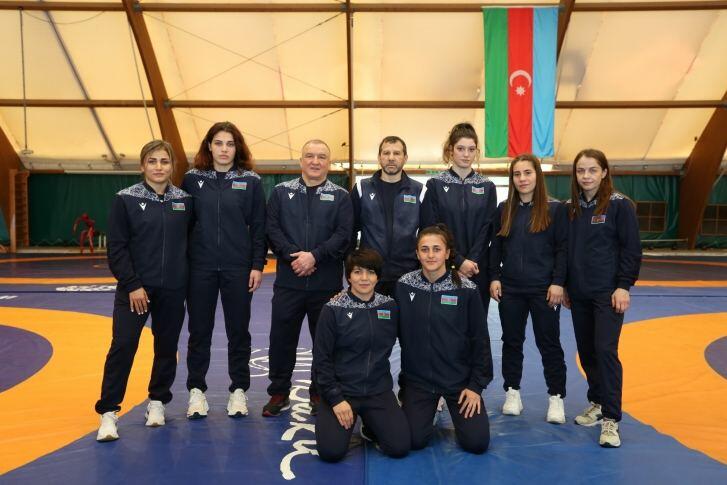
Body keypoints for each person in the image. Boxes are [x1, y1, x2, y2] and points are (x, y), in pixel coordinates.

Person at [95, 140, 193, 441]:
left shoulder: (185, 201)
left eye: (164, 161)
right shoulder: (125, 199)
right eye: (152, 161)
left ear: (172, 166)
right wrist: (133, 285)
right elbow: (117, 248)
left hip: (173, 290)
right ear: (142, 165)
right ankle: (108, 412)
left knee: (166, 347)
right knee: (123, 346)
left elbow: (191, 244)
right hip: (134, 290)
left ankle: (157, 401)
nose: (159, 167)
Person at [182, 122, 266, 419]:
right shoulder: (192, 179)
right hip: (200, 267)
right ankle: (196, 391)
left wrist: (257, 265)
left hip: (238, 268)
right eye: (218, 143)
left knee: (238, 331)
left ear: (237, 147)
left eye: (230, 144)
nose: (224, 149)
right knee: (198, 331)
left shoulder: (251, 180)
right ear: (209, 146)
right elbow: (183, 225)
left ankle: (239, 390)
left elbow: (259, 227)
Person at [265, 139, 353, 417]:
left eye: (321, 157)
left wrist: (315, 256)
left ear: (329, 162)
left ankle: (320, 391)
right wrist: (295, 257)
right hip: (288, 282)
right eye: (310, 156)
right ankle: (279, 392)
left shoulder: (341, 196)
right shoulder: (280, 192)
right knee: (281, 339)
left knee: (325, 342)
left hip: (325, 284)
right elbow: (272, 229)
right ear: (301, 160)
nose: (315, 161)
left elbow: (344, 235)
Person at [564, 148, 642, 448]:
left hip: (608, 294)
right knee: (587, 352)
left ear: (604, 172)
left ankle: (611, 418)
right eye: (581, 170)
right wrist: (567, 286)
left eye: (592, 170)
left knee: (605, 350)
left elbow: (631, 249)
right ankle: (597, 402)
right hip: (579, 293)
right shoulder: (571, 208)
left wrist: (624, 286)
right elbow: (567, 250)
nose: (586, 176)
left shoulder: (620, 205)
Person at [396, 224, 492, 454]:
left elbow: (480, 339)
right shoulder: (404, 285)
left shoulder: (466, 289)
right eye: (425, 249)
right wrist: (346, 299)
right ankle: (419, 407)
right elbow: (382, 317)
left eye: (437, 249)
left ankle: (446, 405)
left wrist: (475, 386)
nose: (431, 255)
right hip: (419, 381)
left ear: (448, 253)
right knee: (413, 441)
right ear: (417, 253)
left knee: (476, 443)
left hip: (458, 382)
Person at [489, 154, 568, 423]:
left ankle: (556, 397)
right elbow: (496, 246)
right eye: (517, 174)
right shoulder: (504, 209)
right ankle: (512, 392)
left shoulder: (555, 209)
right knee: (511, 341)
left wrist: (558, 282)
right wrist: (495, 276)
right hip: (511, 289)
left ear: (537, 175)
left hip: (544, 290)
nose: (522, 179)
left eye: (527, 173)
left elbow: (562, 249)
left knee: (549, 343)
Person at [313, 248, 410, 462]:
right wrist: (336, 399)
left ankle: (370, 423)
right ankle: (340, 415)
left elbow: (410, 343)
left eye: (370, 272)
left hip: (377, 391)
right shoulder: (333, 309)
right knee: (331, 452)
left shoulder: (389, 307)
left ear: (378, 276)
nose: (364, 278)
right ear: (349, 276)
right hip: (343, 391)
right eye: (357, 272)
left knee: (400, 446)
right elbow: (321, 359)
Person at [421, 122, 497, 313]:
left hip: (478, 268)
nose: (466, 154)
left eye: (471, 149)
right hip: (444, 266)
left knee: (477, 322)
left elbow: (488, 228)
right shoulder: (435, 185)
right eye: (461, 148)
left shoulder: (487, 186)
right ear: (451, 150)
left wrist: (471, 261)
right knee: (447, 322)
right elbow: (432, 228)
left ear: (476, 152)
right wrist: (458, 261)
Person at [350, 136, 423, 296]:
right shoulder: (362, 188)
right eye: (386, 153)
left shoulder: (419, 191)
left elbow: (426, 234)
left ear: (405, 158)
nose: (391, 158)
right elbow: (350, 232)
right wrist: (351, 268)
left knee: (405, 314)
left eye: (396, 153)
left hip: (407, 273)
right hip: (370, 274)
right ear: (379, 157)